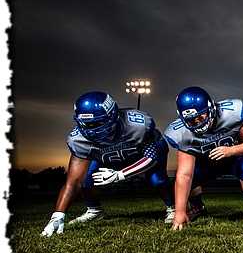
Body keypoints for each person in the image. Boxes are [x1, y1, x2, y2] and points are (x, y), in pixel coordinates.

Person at [41, 92, 174, 237]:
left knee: (157, 179)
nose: (92, 129)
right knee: (85, 179)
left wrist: (120, 175)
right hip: (107, 156)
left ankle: (172, 208)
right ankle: (94, 211)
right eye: (87, 124)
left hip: (142, 152)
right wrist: (58, 215)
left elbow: (151, 158)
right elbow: (73, 182)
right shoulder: (78, 140)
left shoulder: (137, 125)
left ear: (113, 116)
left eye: (97, 123)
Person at [163, 86, 243, 230]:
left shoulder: (232, 113)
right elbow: (184, 175)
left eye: (201, 117)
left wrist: (231, 150)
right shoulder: (180, 133)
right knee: (186, 179)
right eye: (191, 121)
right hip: (206, 163)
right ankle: (197, 207)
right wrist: (180, 212)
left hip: (234, 158)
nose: (198, 123)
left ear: (211, 108)